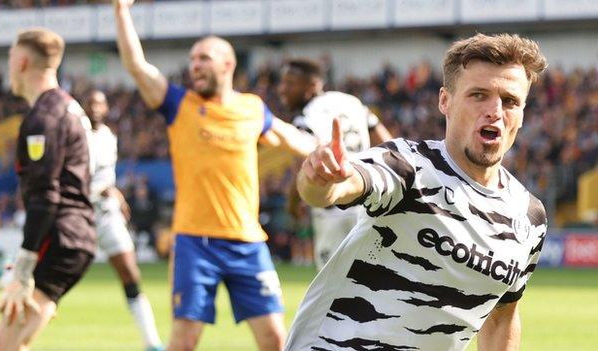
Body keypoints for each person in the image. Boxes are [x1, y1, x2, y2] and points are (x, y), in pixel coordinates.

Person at [286, 33, 548, 351]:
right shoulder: (410, 166)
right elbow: (342, 185)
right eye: (478, 95)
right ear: (445, 101)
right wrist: (320, 179)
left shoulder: (528, 217)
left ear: (522, 114)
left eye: (510, 101)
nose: (494, 110)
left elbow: (501, 317)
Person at [112, 1, 316, 350]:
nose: (195, 65)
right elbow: (137, 66)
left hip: (248, 241)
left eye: (203, 58)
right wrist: (120, 10)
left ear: (228, 64)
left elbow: (290, 137)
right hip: (195, 241)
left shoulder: (252, 107)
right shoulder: (180, 105)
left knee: (274, 339)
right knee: (185, 339)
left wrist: (328, 150)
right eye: (192, 60)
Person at [0, 28, 95, 350]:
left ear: (22, 62)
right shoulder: (68, 107)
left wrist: (23, 268)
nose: (8, 67)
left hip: (59, 238)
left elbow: (46, 196)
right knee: (13, 342)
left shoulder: (44, 118)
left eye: (10, 59)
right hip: (72, 237)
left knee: (2, 346)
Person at [278, 58, 392, 270]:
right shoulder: (351, 102)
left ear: (312, 86)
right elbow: (387, 141)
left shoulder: (308, 115)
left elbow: (304, 162)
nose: (282, 89)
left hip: (333, 205)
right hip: (367, 202)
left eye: (290, 83)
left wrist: (293, 202)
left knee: (331, 289)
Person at [84, 90, 164, 351]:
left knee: (130, 273)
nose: (95, 108)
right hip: (79, 214)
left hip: (106, 214)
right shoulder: (75, 134)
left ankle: (152, 343)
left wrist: (114, 191)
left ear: (107, 108)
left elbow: (106, 176)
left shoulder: (109, 136)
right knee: (53, 277)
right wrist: (101, 190)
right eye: (90, 103)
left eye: (100, 103)